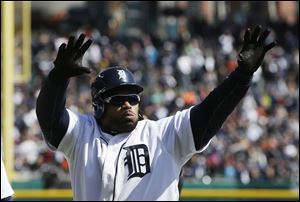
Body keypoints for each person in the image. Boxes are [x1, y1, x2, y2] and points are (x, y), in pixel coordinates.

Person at [36, 25, 276, 201]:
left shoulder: (163, 134)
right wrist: (57, 78)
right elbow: (50, 120)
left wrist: (242, 76)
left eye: (133, 97)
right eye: (118, 99)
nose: (128, 104)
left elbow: (211, 111)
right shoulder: (82, 133)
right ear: (99, 104)